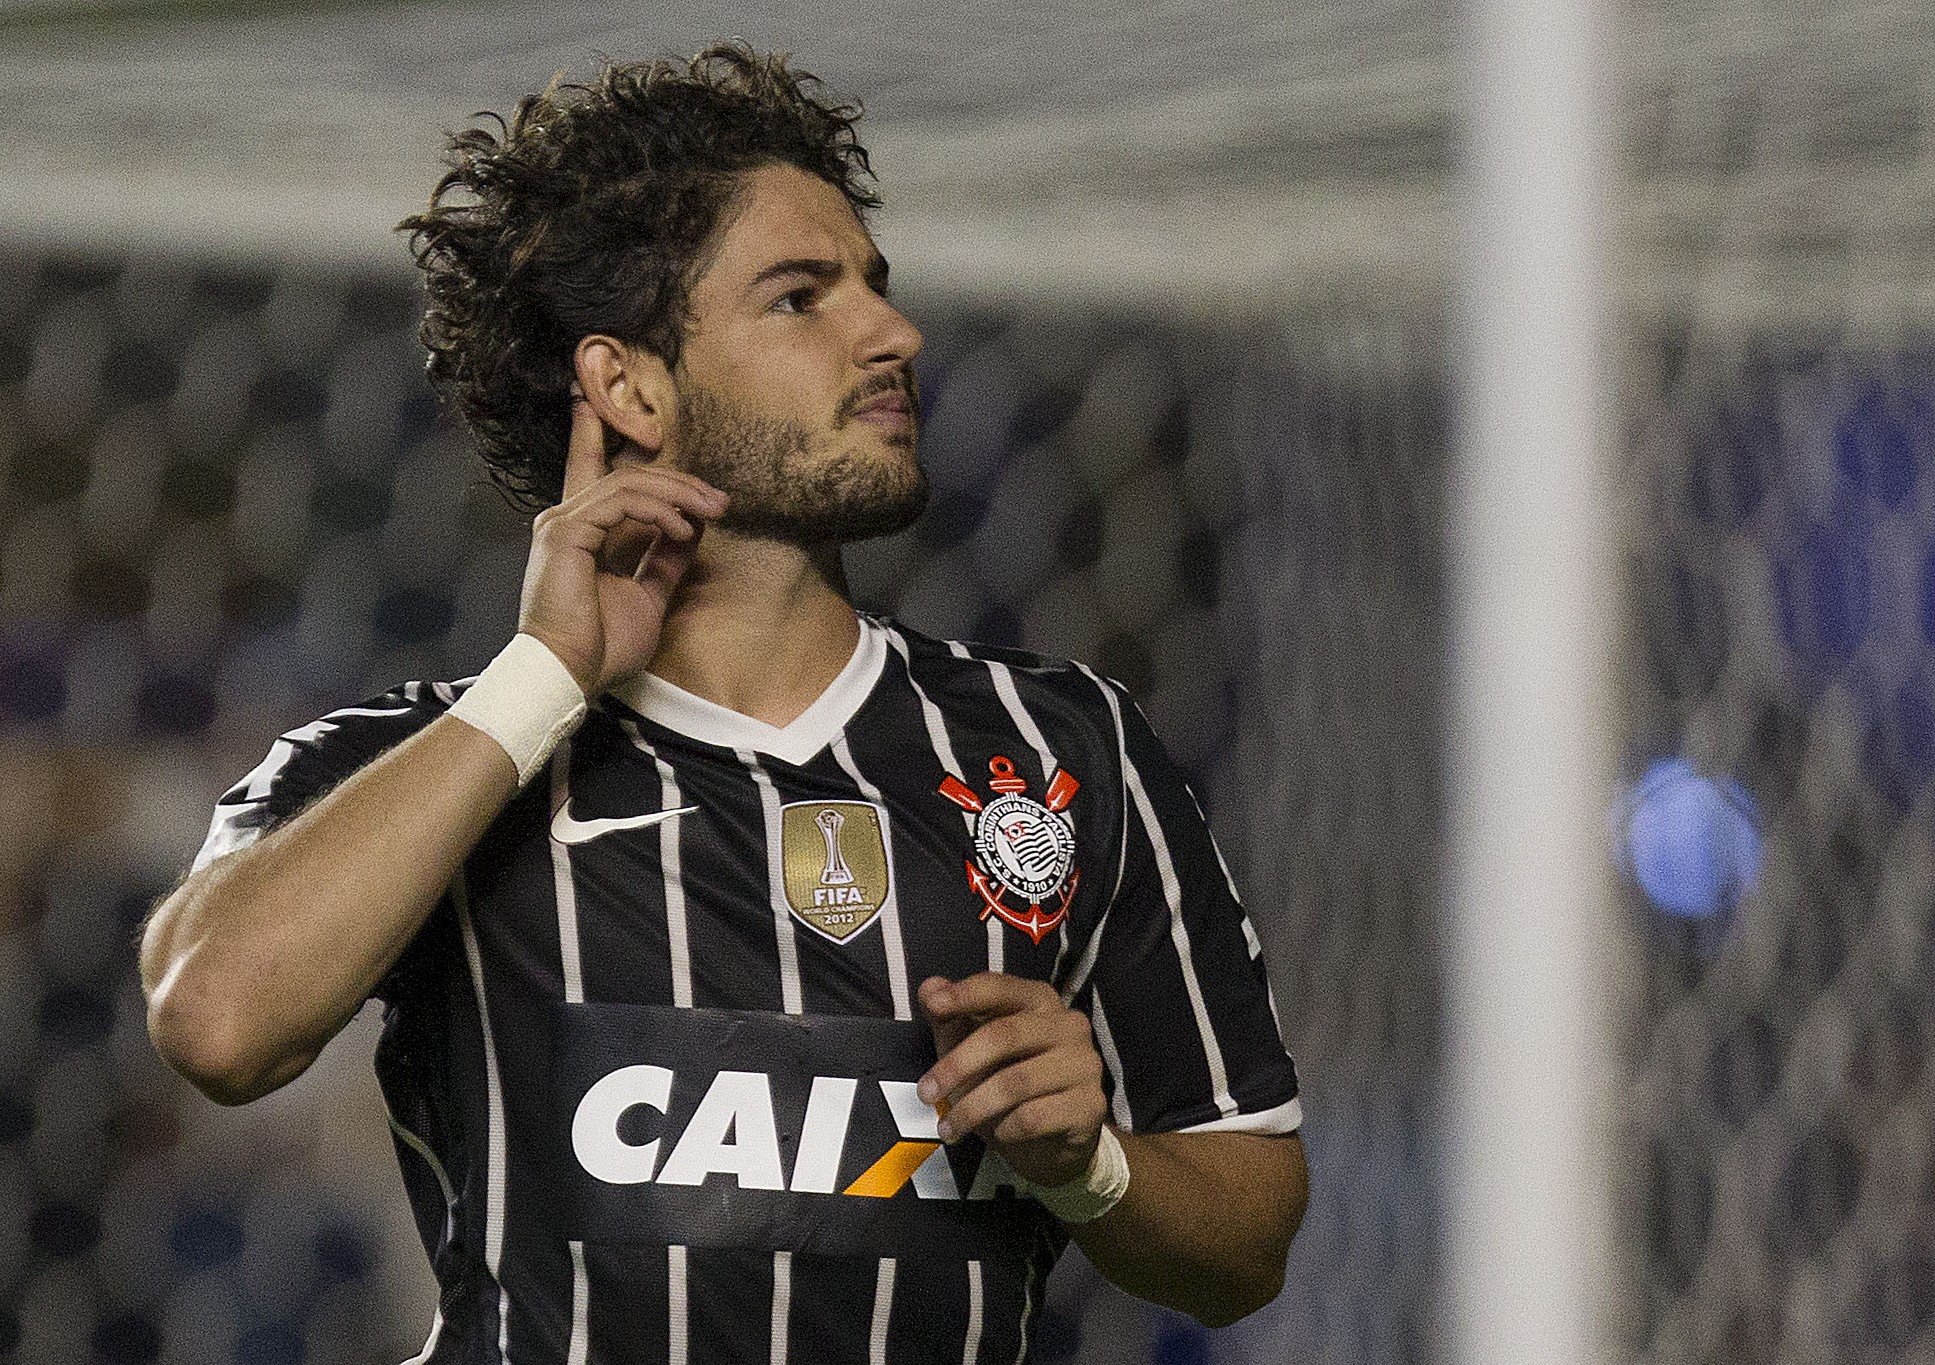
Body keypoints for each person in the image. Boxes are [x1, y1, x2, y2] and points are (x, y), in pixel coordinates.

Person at [140, 45, 1306, 1364]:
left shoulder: (1062, 746)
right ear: (630, 387)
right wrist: (544, 679)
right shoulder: (424, 765)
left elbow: (1249, 1235)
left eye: (876, 283)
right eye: (802, 298)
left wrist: (1090, 1163)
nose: (892, 332)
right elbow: (215, 1018)